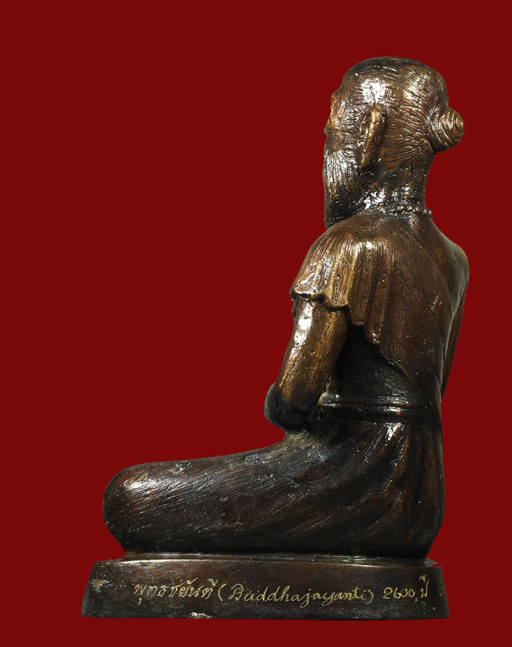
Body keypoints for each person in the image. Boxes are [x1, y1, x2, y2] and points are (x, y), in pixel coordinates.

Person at [103, 58, 468, 558]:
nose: (326, 153)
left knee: (130, 497)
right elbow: (433, 392)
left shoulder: (346, 247)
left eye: (331, 135)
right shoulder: (454, 259)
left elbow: (295, 398)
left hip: (356, 477)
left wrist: (282, 407)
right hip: (422, 500)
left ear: (368, 137)